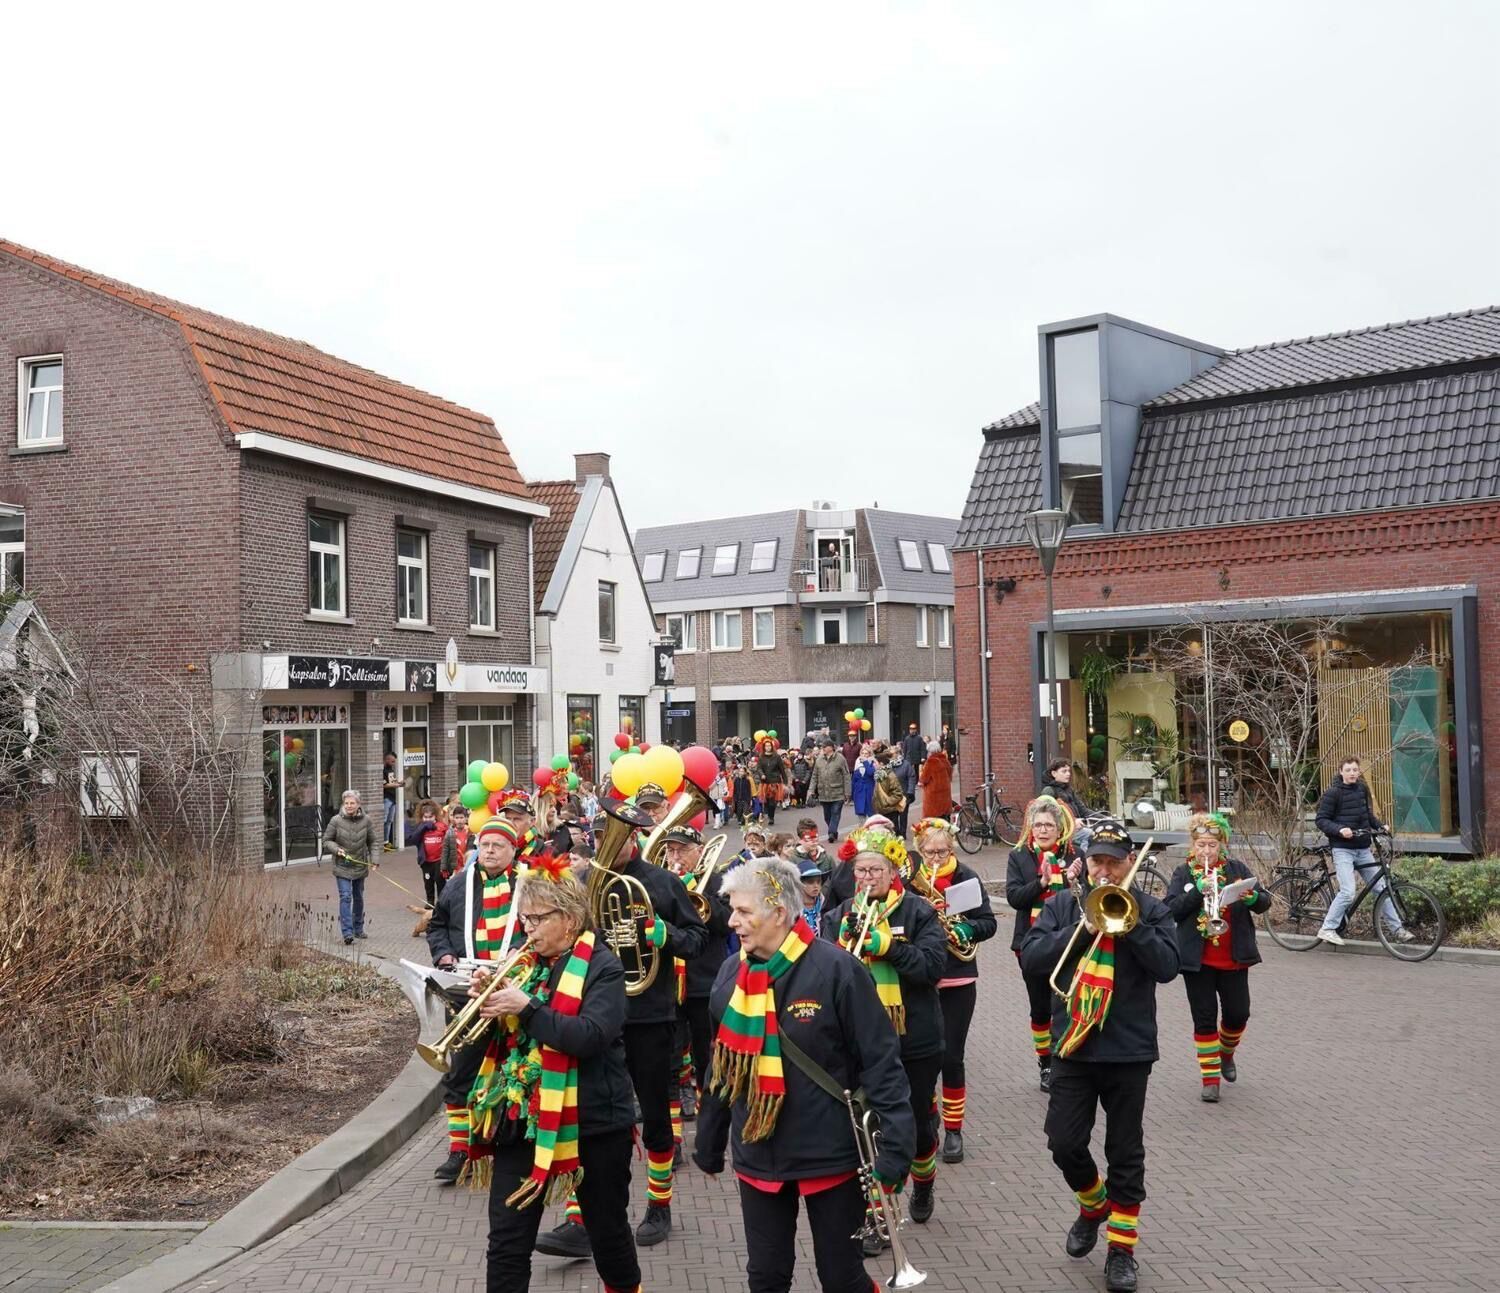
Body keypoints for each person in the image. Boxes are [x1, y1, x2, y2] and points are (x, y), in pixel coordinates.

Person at [694, 856, 915, 1293]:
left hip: (827, 1154)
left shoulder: (836, 969)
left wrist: (897, 1147)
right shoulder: (730, 972)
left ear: (779, 913)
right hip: (758, 1152)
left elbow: (881, 1062)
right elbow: (723, 1063)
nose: (732, 921)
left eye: (743, 911)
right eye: (732, 910)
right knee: (766, 1277)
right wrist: (710, 1137)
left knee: (842, 1278)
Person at [467, 856, 642, 1293]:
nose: (527, 928)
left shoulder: (603, 967)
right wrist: (485, 1001)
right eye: (524, 918)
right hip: (524, 1119)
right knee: (506, 1243)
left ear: (569, 919)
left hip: (593, 1124)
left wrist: (526, 1008)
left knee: (607, 1236)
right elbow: (507, 1038)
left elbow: (589, 1036)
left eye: (537, 919)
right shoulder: (524, 960)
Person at [1020, 818, 1180, 1293]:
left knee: (1125, 1151)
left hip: (1129, 1049)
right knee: (1063, 1143)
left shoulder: (1151, 909)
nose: (1105, 871)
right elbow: (1032, 959)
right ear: (1085, 863)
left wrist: (1129, 926)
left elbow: (1169, 967)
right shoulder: (1063, 906)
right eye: (1097, 862)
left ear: (1129, 861)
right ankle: (1093, 1203)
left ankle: (1121, 1252)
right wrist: (1082, 927)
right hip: (1074, 1046)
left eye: (1113, 862)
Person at [820, 827, 945, 1243]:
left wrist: (889, 947)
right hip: (859, 1042)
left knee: (918, 1129)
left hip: (914, 1040)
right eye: (861, 871)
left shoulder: (918, 911)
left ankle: (923, 1179)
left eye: (876, 870)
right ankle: (879, 1215)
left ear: (893, 873)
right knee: (869, 1130)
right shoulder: (839, 916)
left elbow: (932, 968)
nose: (867, 878)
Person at [427, 818, 528, 1184]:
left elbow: (547, 926)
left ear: (513, 850)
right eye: (484, 845)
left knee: (516, 1068)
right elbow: (437, 926)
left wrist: (522, 950)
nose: (489, 851)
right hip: (466, 989)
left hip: (514, 988)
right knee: (461, 1071)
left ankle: (514, 1143)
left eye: (497, 846)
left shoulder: (530, 884)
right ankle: (460, 1150)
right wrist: (444, 956)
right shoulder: (457, 884)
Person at [1164, 814, 1272, 1102]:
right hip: (1197, 960)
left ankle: (1225, 1053)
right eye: (1201, 845)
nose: (1206, 851)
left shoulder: (1236, 869)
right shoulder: (1184, 873)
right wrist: (1197, 893)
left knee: (1238, 1014)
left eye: (1212, 845)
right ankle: (1210, 1080)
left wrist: (1253, 899)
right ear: (1193, 845)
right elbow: (1170, 910)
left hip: (1233, 957)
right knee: (1204, 1018)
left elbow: (1264, 902)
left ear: (1222, 845)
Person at [912, 817, 997, 1164]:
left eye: (942, 852)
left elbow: (988, 922)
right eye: (929, 853)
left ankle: (954, 1130)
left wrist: (965, 929)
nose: (936, 859)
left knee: (951, 1057)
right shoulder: (910, 882)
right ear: (920, 851)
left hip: (957, 977)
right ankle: (928, 1119)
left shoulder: (966, 877)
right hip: (920, 979)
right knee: (923, 1059)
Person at [1006, 796, 1083, 1091]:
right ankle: (1046, 1064)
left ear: (1059, 828)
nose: (1042, 830)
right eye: (1037, 825)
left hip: (1069, 942)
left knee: (1068, 1003)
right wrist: (1041, 883)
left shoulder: (1075, 853)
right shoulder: (1019, 856)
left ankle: (1066, 1058)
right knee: (1040, 1008)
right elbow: (1015, 898)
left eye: (1048, 825)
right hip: (1032, 943)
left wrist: (1074, 881)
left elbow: (1086, 899)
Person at [1315, 756, 1413, 945]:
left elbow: (1366, 815)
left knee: (1382, 889)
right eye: (1348, 770)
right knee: (1347, 892)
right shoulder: (1333, 793)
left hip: (1362, 848)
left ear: (1359, 771)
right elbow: (1321, 820)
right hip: (1343, 849)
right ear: (1341, 772)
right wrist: (1340, 830)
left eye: (1355, 770)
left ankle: (1398, 930)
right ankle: (1327, 929)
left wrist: (1380, 826)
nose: (1352, 773)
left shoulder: (1361, 789)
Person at [322, 789, 380, 946]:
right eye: (346, 803)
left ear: (358, 804)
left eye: (352, 803)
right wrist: (337, 849)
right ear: (343, 804)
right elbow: (326, 840)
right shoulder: (336, 820)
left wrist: (375, 860)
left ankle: (358, 928)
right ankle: (347, 933)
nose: (349, 806)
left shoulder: (366, 820)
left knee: (358, 897)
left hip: (360, 865)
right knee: (346, 897)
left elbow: (373, 841)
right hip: (342, 865)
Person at [808, 742, 851, 843]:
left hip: (838, 792)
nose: (823, 748)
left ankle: (831, 832)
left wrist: (847, 792)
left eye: (825, 746)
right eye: (822, 747)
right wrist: (811, 790)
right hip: (823, 793)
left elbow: (846, 776)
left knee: (835, 813)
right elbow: (814, 776)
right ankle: (834, 831)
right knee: (827, 816)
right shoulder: (819, 760)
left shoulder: (840, 759)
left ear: (831, 747)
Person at [413, 800, 448, 907]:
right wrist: (423, 827)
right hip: (426, 860)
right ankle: (430, 901)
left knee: (439, 880)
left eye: (430, 817)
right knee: (428, 881)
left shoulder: (441, 826)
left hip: (439, 859)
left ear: (435, 816)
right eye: (425, 817)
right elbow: (413, 839)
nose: (428, 819)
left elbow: (448, 839)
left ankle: (441, 901)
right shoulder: (420, 828)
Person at [1042, 759, 1089, 827]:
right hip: (1064, 830)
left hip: (1077, 825)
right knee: (1089, 832)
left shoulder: (1069, 789)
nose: (1068, 774)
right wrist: (1073, 821)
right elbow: (1049, 815)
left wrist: (1103, 818)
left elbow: (1083, 810)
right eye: (1064, 771)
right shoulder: (1048, 791)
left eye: (1069, 771)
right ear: (1054, 773)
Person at [755, 739, 788, 826]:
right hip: (765, 782)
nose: (768, 747)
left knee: (772, 802)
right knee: (766, 801)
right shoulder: (761, 757)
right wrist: (762, 774)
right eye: (766, 746)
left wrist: (785, 782)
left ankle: (771, 817)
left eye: (769, 746)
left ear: (772, 746)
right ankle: (767, 813)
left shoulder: (777, 757)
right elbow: (759, 768)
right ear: (764, 747)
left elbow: (782, 770)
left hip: (774, 782)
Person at [440, 804, 474, 883]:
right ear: (453, 819)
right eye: (457, 818)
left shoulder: (471, 832)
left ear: (466, 818)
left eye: (461, 818)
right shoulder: (450, 833)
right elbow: (445, 851)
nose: (459, 820)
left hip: (468, 865)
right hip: (455, 867)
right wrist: (443, 867)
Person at [918, 740, 951, 820]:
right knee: (945, 818)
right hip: (945, 794)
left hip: (933, 796)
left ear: (930, 751)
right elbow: (950, 774)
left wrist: (920, 778)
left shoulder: (931, 762)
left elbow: (924, 779)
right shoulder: (945, 760)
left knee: (934, 821)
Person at [797, 850, 828, 929]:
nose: (816, 886)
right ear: (800, 884)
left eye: (819, 882)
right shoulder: (792, 909)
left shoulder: (825, 905)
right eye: (810, 882)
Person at [850, 743, 876, 818]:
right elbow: (854, 780)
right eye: (862, 753)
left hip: (869, 791)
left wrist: (865, 762)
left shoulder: (873, 763)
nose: (864, 755)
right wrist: (852, 794)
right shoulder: (857, 762)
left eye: (866, 753)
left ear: (870, 754)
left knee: (871, 814)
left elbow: (870, 772)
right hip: (859, 791)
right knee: (861, 815)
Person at [382, 751, 402, 850]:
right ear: (387, 759)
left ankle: (386, 842)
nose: (394, 763)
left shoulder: (391, 770)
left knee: (389, 820)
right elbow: (384, 785)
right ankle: (382, 842)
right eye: (392, 761)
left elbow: (392, 781)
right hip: (386, 798)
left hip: (393, 798)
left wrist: (399, 783)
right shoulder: (383, 770)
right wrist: (396, 785)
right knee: (384, 820)